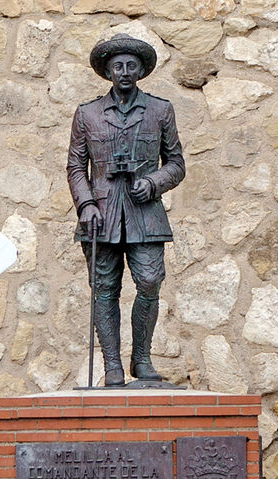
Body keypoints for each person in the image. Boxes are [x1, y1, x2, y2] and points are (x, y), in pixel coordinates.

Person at [67, 34, 186, 386]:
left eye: (131, 66)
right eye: (117, 66)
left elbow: (177, 163)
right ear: (107, 71)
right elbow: (76, 166)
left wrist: (153, 182)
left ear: (141, 71)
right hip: (101, 215)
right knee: (104, 288)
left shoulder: (160, 110)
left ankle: (142, 359)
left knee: (149, 281)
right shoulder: (87, 113)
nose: (124, 72)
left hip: (144, 212)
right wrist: (86, 203)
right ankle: (112, 366)